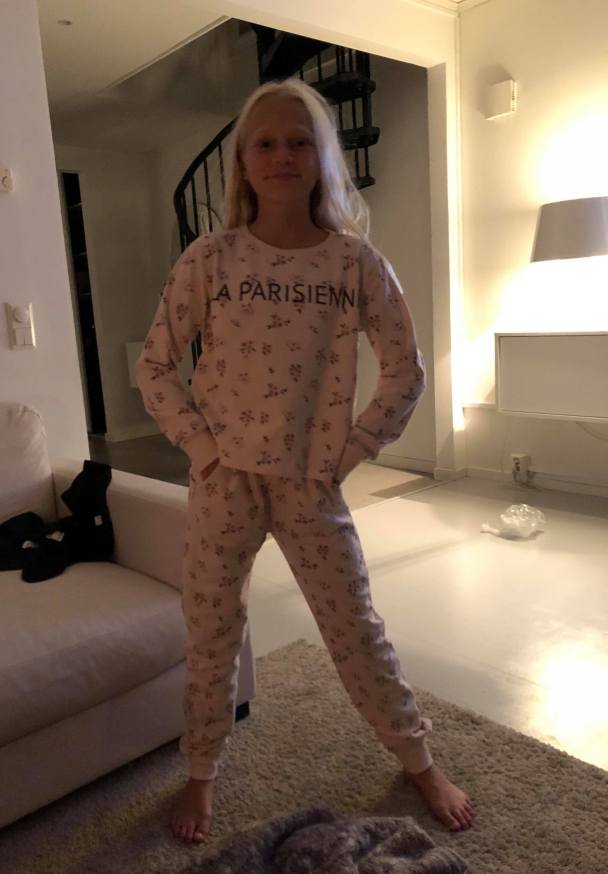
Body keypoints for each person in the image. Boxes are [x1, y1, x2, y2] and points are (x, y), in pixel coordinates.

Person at [135, 77, 475, 844]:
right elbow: (154, 365)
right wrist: (202, 449)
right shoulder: (210, 258)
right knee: (211, 631)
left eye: (299, 141)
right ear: (242, 162)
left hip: (309, 485)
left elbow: (405, 371)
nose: (282, 154)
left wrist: (351, 450)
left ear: (322, 157)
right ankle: (202, 771)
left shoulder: (353, 264)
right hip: (224, 483)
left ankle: (418, 759)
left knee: (354, 627)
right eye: (266, 142)